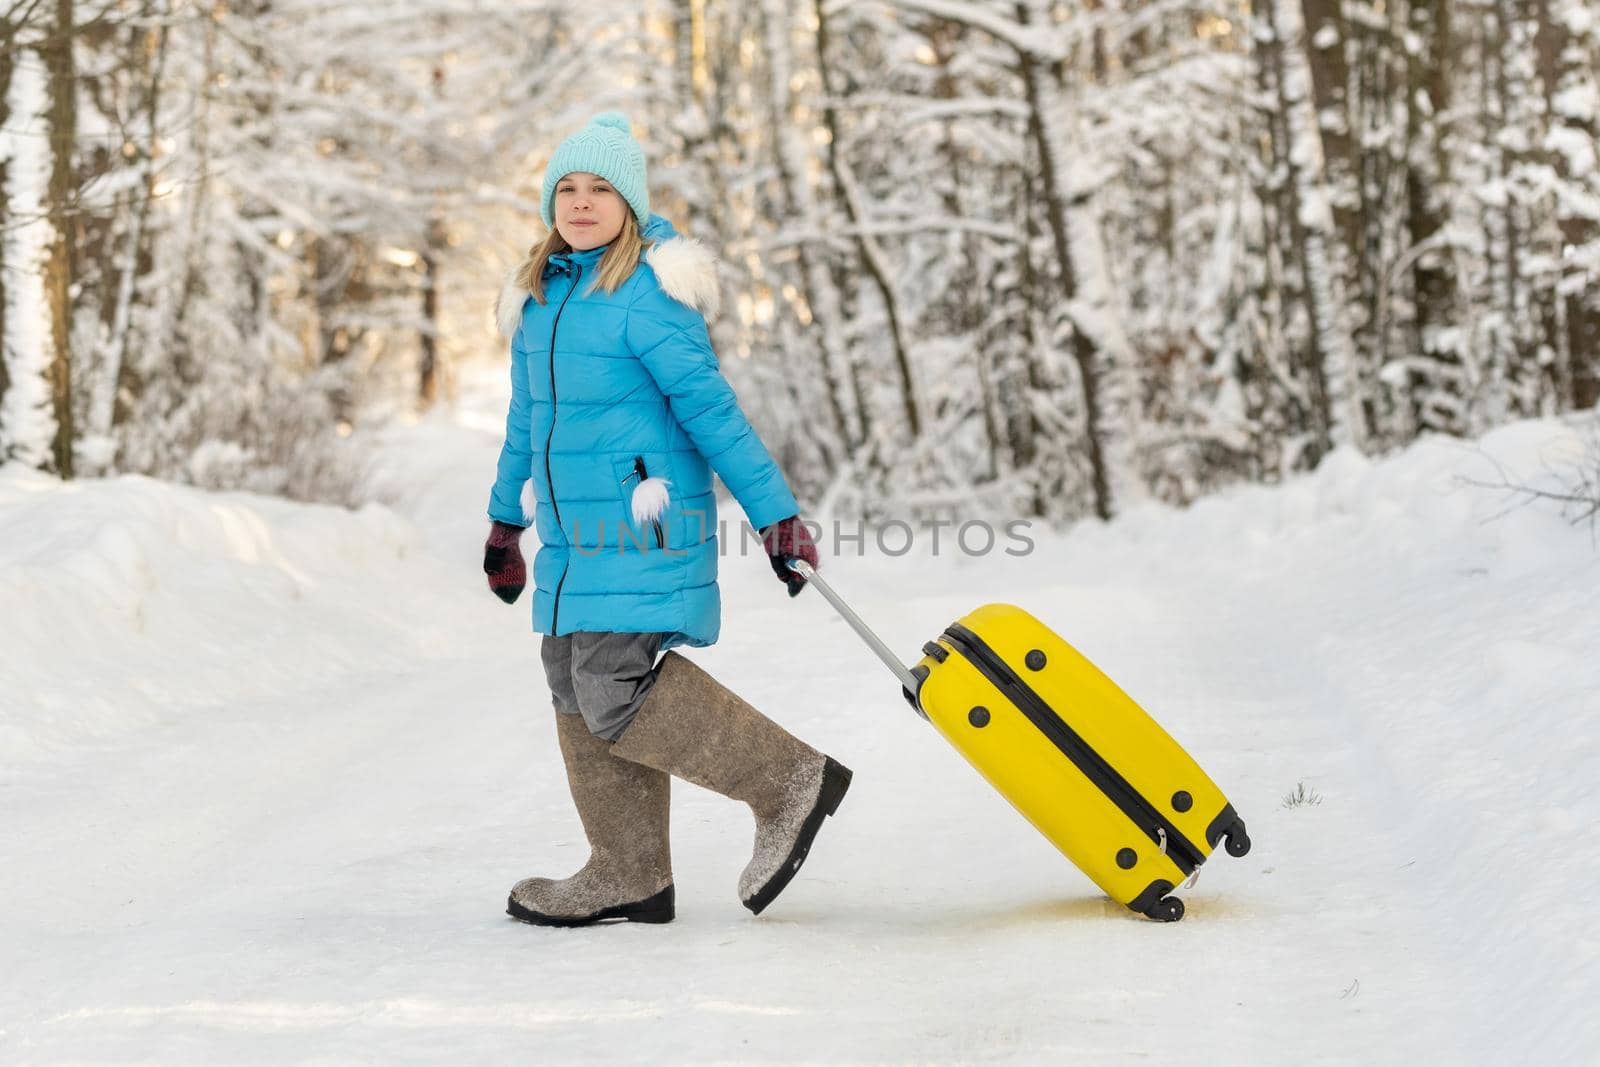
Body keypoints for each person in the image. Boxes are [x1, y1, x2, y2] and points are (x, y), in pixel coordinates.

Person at [483, 112, 851, 927]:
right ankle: (628, 869)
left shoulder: (648, 292)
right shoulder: (540, 297)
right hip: (574, 540)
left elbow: (713, 412)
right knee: (568, 674)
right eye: (567, 189)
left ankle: (788, 780)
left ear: (630, 201)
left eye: (600, 189)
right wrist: (504, 524)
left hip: (643, 522)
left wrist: (776, 517)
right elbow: (524, 421)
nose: (580, 204)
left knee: (611, 684)